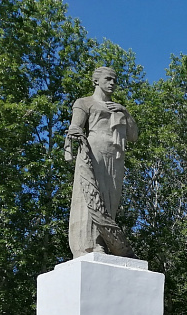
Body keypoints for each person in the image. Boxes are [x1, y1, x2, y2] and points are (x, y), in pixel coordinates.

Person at [65, 66, 139, 258]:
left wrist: (125, 112)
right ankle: (89, 245)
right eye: (108, 79)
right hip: (94, 152)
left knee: (110, 201)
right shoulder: (84, 102)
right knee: (91, 197)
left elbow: (133, 136)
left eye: (114, 80)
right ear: (96, 81)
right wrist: (75, 134)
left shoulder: (118, 108)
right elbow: (75, 126)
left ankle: (103, 242)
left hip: (115, 157)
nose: (112, 83)